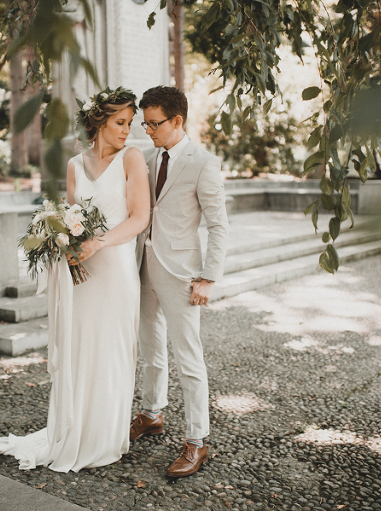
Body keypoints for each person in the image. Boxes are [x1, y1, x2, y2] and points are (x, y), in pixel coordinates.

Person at [0, 87, 150, 472]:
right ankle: (76, 428)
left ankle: (105, 437)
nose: (128, 130)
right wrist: (66, 243)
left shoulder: (132, 158)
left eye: (130, 123)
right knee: (82, 347)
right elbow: (73, 216)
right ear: (99, 122)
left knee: (111, 350)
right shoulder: (75, 165)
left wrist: (99, 242)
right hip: (84, 272)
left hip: (116, 270)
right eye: (120, 122)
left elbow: (139, 217)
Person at [130, 86, 229, 478]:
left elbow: (219, 225)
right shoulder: (147, 159)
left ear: (177, 121)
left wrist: (208, 277)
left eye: (154, 124)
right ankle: (152, 414)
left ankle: (196, 442)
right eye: (144, 124)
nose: (148, 131)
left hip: (182, 274)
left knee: (189, 359)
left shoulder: (204, 162)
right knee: (151, 350)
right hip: (143, 266)